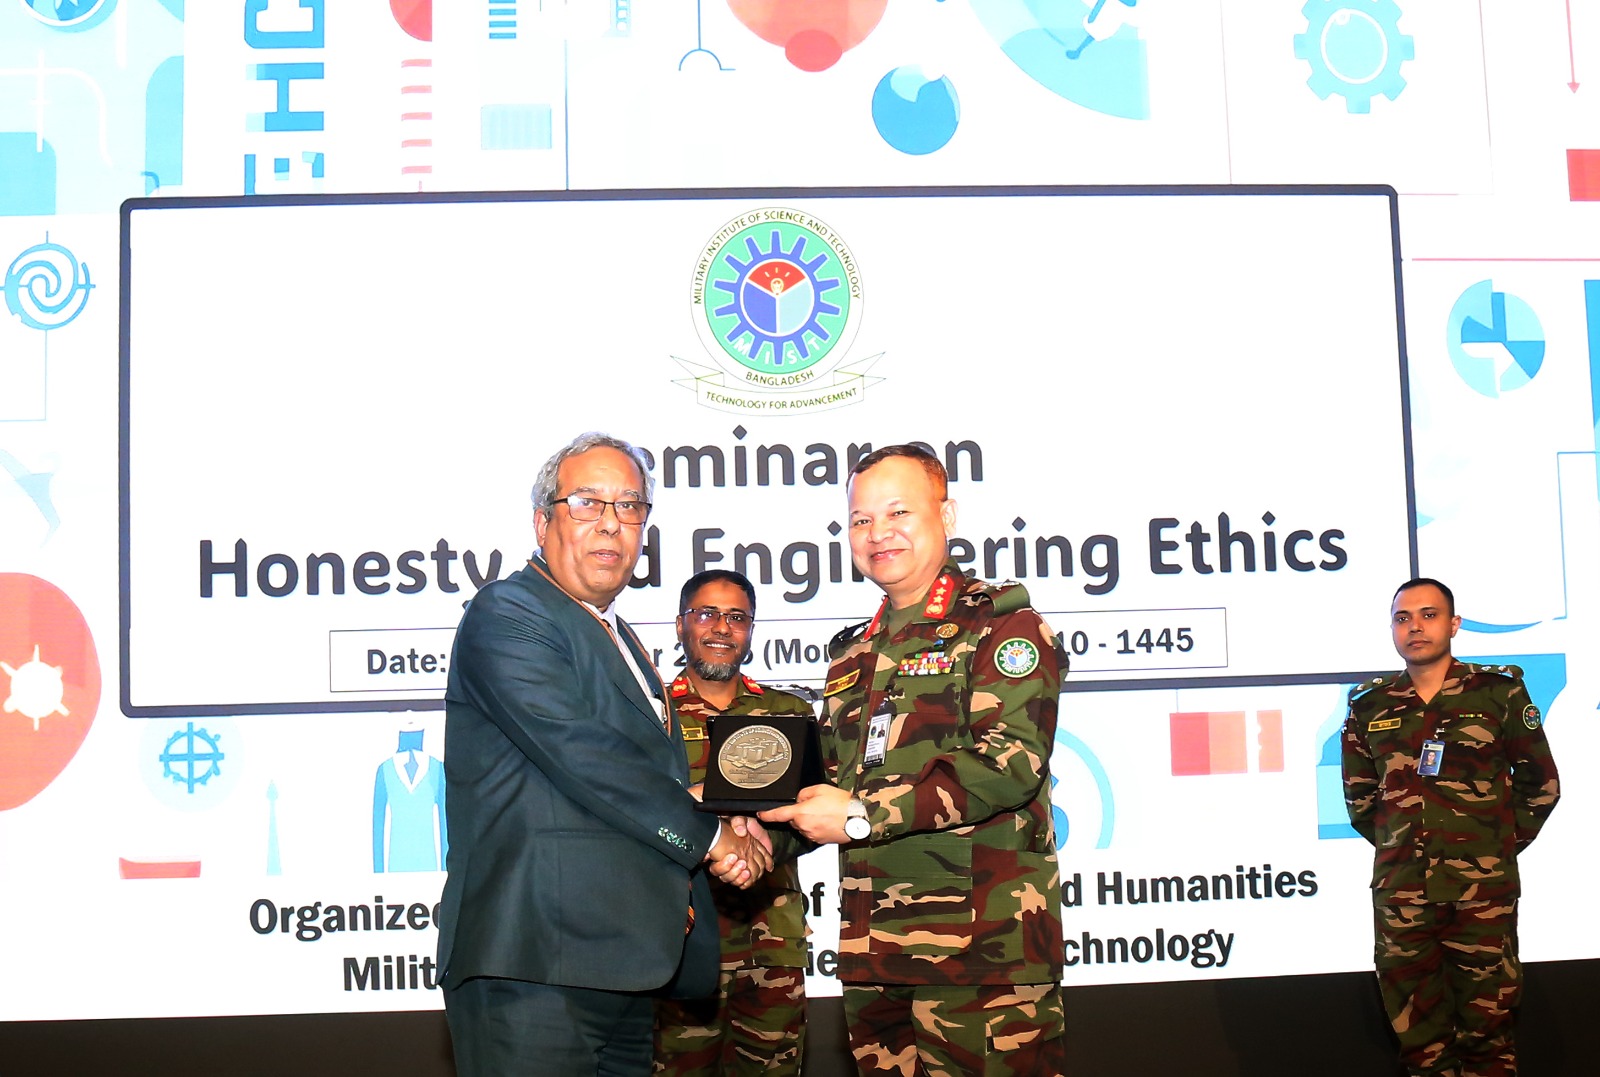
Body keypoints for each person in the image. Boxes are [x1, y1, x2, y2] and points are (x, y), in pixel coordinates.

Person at [437, 432, 772, 1077]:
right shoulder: (509, 611)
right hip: (536, 963)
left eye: (630, 506)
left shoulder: (622, 637)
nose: (611, 523)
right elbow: (585, 756)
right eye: (587, 502)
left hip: (623, 966)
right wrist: (711, 839)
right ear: (543, 522)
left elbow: (633, 778)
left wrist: (721, 811)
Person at [761, 444, 1067, 1076]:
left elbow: (1008, 765)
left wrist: (860, 817)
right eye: (861, 519)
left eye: (898, 512)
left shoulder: (1001, 626)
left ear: (945, 515)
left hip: (982, 958)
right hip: (874, 957)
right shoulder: (851, 656)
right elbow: (828, 790)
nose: (878, 533)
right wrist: (756, 838)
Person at [1342, 578, 1561, 1077]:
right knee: (1420, 1043)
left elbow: (1541, 785)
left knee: (1488, 1034)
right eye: (1403, 618)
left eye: (1429, 615)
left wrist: (1492, 846)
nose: (1415, 627)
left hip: (1482, 895)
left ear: (1454, 624)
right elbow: (1361, 802)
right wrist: (1408, 849)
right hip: (1402, 896)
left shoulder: (1499, 693)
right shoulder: (1369, 705)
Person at [653, 570, 813, 1076]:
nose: (722, 628)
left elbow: (812, 814)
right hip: (681, 941)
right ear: (680, 624)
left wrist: (764, 848)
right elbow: (636, 813)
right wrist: (710, 840)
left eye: (737, 617)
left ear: (750, 630)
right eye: (707, 614)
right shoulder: (650, 715)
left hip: (773, 941)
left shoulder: (787, 713)